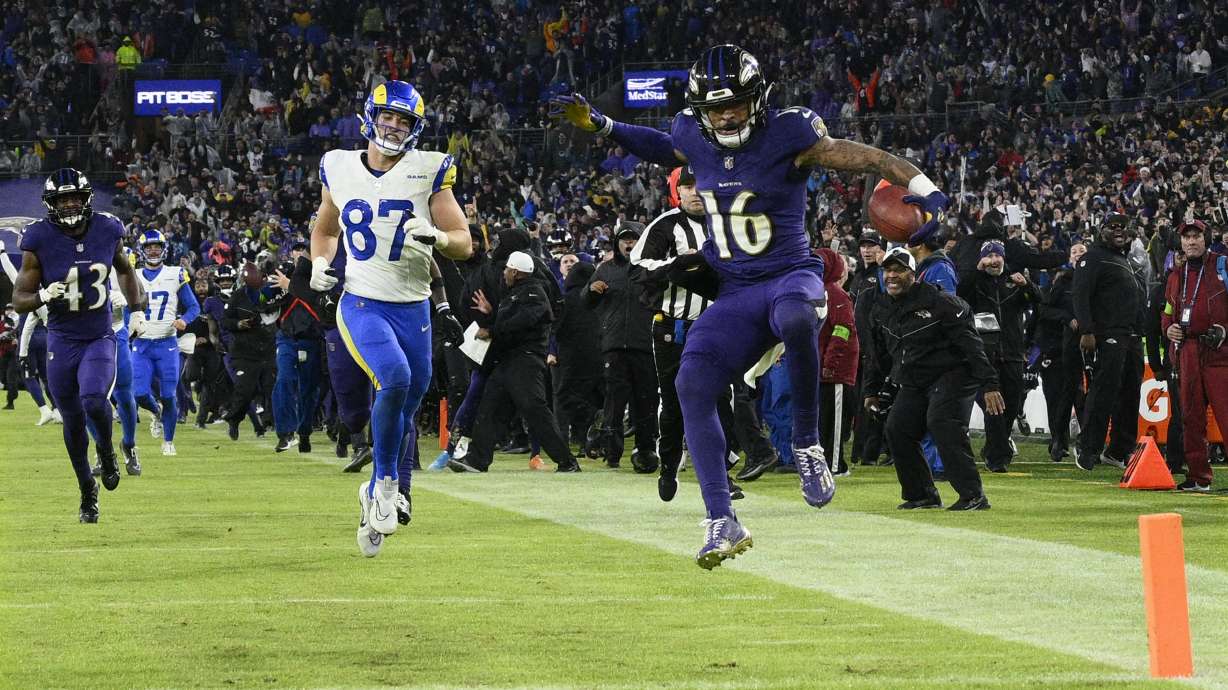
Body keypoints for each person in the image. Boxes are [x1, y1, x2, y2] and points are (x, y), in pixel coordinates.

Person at [551, 44, 951, 568]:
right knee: (690, 383)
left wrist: (931, 191)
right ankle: (722, 519)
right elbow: (661, 145)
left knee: (794, 318)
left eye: (735, 103)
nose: (726, 115)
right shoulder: (693, 134)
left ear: (757, 98)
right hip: (736, 290)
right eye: (715, 108)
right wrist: (604, 125)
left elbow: (872, 158)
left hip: (789, 275)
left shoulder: (789, 134)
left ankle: (807, 444)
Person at [309, 80, 473, 558]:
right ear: (370, 115)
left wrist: (438, 239)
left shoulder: (428, 170)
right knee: (394, 379)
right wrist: (320, 263)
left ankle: (386, 498)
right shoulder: (338, 164)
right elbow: (325, 228)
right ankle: (383, 486)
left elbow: (464, 240)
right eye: (389, 116)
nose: (394, 126)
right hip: (362, 301)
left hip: (414, 305)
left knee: (403, 407)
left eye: (404, 120)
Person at [11, 168, 146, 523]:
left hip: (98, 334)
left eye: (75, 198)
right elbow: (18, 297)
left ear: (86, 199)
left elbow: (126, 270)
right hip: (61, 338)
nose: (69, 205)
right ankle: (88, 490)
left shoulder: (108, 228)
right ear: (51, 204)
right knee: (71, 420)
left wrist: (137, 309)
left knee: (93, 399)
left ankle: (106, 451)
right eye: (62, 199)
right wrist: (41, 295)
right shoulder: (38, 238)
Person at [863, 248, 1003, 510]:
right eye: (888, 270)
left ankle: (973, 495)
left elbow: (972, 345)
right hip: (916, 378)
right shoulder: (880, 308)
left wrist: (990, 384)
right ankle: (922, 494)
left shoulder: (942, 302)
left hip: (954, 372)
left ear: (913, 274)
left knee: (942, 421)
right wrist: (871, 391)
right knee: (897, 428)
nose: (892, 276)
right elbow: (878, 354)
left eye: (899, 270)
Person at [448, 251, 580, 472]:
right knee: (490, 408)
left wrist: (491, 329)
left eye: (507, 269)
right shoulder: (515, 294)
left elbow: (524, 321)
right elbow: (511, 322)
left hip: (526, 363)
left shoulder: (534, 293)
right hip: (508, 361)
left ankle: (567, 461)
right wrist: (490, 315)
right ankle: (477, 461)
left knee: (534, 410)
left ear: (516, 273)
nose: (504, 273)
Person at [1072, 213, 1146, 471]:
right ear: (1101, 230)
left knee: (1130, 395)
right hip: (1108, 334)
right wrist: (1087, 330)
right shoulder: (1092, 257)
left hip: (1132, 336)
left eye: (1123, 227)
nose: (1118, 231)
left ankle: (1118, 450)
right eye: (1112, 227)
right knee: (1104, 392)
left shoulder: (1124, 259)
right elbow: (1080, 296)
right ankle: (1087, 447)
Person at [957, 240, 1037, 472]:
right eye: (988, 256)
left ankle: (994, 448)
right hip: (985, 355)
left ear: (1003, 258)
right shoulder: (975, 283)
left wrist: (1028, 285)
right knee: (993, 407)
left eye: (997, 256)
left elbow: (1040, 301)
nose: (993, 260)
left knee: (1011, 406)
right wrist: (976, 271)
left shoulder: (1014, 282)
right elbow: (960, 295)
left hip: (1012, 354)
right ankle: (997, 458)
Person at [1161, 220, 1228, 491]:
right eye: (1186, 237)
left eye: (1196, 236)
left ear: (1205, 239)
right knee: (1190, 416)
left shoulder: (1222, 266)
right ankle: (1199, 476)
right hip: (1187, 351)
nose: (1191, 241)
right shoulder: (1176, 275)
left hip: (1219, 351)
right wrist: (1169, 329)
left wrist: (1225, 329)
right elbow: (1167, 312)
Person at [132, 230, 200, 456]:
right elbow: (127, 310)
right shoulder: (133, 276)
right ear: (142, 250)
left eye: (157, 246)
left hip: (167, 343)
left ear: (164, 249)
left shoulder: (176, 274)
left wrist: (184, 320)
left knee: (169, 395)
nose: (153, 250)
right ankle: (156, 412)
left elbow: (194, 307)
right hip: (141, 344)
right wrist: (126, 330)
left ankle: (168, 442)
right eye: (149, 246)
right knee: (139, 393)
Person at [814, 248, 858, 477]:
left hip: (834, 371)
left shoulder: (835, 294)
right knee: (826, 421)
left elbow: (843, 330)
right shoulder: (824, 291)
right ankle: (829, 464)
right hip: (822, 369)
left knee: (834, 421)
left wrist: (831, 363)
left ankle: (834, 466)